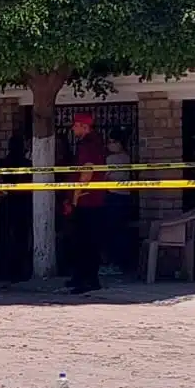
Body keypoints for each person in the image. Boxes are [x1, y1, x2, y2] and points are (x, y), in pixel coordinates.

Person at [65, 112, 108, 294]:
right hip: (92, 199)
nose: (73, 129)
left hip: (87, 200)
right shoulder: (92, 143)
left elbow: (86, 172)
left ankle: (89, 280)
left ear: (84, 126)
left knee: (86, 242)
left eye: (75, 125)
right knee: (83, 241)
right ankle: (80, 276)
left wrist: (74, 198)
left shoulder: (89, 145)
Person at [0, 134, 33, 283]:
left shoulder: (4, 163)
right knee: (20, 239)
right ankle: (19, 271)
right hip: (21, 204)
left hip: (7, 204)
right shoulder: (26, 164)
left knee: (4, 237)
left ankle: (4, 270)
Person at [104, 129, 136, 275]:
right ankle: (121, 263)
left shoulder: (113, 159)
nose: (110, 145)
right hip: (125, 198)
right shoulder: (127, 157)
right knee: (120, 231)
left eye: (113, 142)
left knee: (113, 232)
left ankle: (115, 264)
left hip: (114, 197)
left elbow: (105, 177)